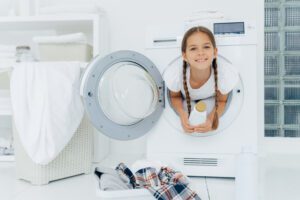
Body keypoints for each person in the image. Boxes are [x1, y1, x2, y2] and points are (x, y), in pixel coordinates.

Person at [163, 26, 239, 133]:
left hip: (211, 103)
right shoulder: (176, 74)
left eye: (206, 47)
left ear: (215, 52)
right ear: (184, 55)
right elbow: (174, 97)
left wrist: (211, 119)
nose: (200, 53)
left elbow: (222, 100)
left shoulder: (224, 75)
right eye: (193, 48)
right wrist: (182, 114)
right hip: (187, 103)